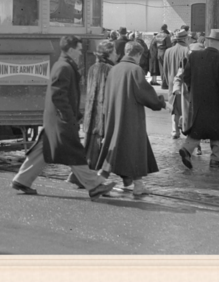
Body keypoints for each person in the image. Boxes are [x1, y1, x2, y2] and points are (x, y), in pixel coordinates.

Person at [11, 36, 116, 200]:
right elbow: (58, 97)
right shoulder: (65, 67)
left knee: (43, 149)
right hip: (61, 121)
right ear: (72, 50)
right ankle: (94, 185)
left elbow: (61, 96)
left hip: (55, 120)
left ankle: (22, 180)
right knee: (74, 152)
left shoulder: (63, 65)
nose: (81, 53)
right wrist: (70, 118)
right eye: (80, 50)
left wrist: (76, 115)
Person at [94, 42, 167, 197]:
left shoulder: (114, 69)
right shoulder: (135, 70)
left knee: (125, 149)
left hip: (115, 117)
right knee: (131, 149)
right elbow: (145, 93)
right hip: (131, 119)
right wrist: (160, 102)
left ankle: (138, 185)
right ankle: (99, 181)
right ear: (138, 55)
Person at [178, 30, 219, 169]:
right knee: (216, 128)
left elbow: (186, 77)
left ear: (208, 42)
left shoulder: (194, 56)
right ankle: (217, 159)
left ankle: (187, 148)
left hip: (197, 98)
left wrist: (194, 90)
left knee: (198, 125)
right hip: (215, 99)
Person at [72, 40, 114, 176]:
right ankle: (89, 177)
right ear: (109, 53)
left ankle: (80, 175)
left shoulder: (92, 68)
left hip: (91, 113)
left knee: (90, 147)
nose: (117, 54)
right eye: (114, 52)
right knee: (100, 148)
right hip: (102, 114)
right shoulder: (109, 69)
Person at [161, 29, 190, 139]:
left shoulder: (168, 51)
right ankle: (186, 129)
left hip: (172, 82)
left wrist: (166, 82)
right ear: (184, 39)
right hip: (185, 84)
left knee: (174, 108)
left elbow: (165, 68)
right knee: (185, 107)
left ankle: (174, 131)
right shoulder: (188, 50)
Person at [155, 25, 172, 90]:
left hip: (159, 52)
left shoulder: (157, 35)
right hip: (165, 52)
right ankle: (165, 84)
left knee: (161, 69)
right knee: (166, 68)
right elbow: (169, 45)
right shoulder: (166, 36)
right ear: (166, 28)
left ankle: (163, 82)